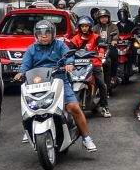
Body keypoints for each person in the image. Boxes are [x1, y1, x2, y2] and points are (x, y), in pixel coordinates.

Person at [15, 20, 97, 152]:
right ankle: (29, 128)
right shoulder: (32, 49)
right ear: (36, 35)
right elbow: (25, 64)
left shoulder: (60, 45)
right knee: (28, 107)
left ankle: (86, 138)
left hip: (59, 80)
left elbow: (69, 56)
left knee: (73, 107)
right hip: (38, 83)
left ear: (52, 34)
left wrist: (69, 64)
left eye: (47, 33)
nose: (44, 36)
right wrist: (21, 73)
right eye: (40, 33)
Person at [66, 16, 111, 117]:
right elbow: (70, 50)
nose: (84, 28)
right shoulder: (75, 38)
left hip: (94, 63)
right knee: (67, 82)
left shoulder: (96, 37)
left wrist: (101, 52)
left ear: (90, 27)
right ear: (79, 27)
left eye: (86, 26)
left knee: (101, 84)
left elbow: (101, 46)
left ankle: (105, 107)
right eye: (82, 26)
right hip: (78, 64)